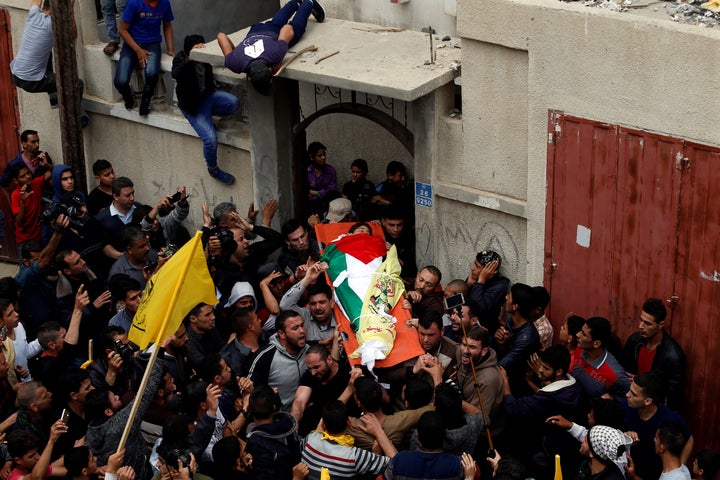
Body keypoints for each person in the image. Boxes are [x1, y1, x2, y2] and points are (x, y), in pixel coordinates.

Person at [172, 34, 240, 185]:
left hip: (208, 97)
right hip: (193, 107)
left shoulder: (206, 58)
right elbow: (175, 73)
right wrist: (190, 59)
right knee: (210, 139)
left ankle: (208, 119)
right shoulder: (181, 59)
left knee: (233, 102)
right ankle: (213, 169)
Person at [218, 0, 325, 95]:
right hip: (256, 30)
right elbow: (221, 36)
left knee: (296, 28)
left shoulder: (275, 53)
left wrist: (280, 55)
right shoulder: (233, 63)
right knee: (275, 23)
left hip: (272, 34)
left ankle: (308, 3)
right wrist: (234, 51)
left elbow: (287, 29)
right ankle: (295, 2)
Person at [623, 373, 693, 480]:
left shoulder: (670, 418)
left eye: (634, 394)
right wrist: (625, 437)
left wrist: (677, 468)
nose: (627, 395)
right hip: (631, 472)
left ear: (648, 401)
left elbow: (689, 440)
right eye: (629, 390)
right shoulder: (626, 406)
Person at [10, 0, 79, 109]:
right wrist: (70, 11)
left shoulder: (33, 14)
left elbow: (36, 1)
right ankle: (76, 114)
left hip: (15, 74)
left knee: (47, 53)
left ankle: (53, 97)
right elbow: (73, 36)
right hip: (31, 81)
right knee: (77, 84)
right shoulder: (52, 25)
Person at [301, 400, 395, 479]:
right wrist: (379, 433)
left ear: (323, 425)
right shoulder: (355, 457)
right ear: (349, 422)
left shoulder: (310, 440)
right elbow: (397, 467)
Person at [114, 0, 175, 116]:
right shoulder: (134, 3)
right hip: (132, 44)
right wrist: (138, 50)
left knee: (151, 74)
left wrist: (170, 49)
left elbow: (167, 25)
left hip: (152, 44)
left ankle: (145, 104)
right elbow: (122, 30)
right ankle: (129, 100)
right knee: (120, 82)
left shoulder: (164, 3)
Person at [622, 298, 685, 409]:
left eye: (647, 323)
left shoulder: (673, 356)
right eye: (641, 320)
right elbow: (624, 371)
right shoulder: (634, 341)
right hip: (629, 399)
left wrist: (643, 384)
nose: (641, 326)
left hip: (653, 407)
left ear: (660, 325)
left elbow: (672, 394)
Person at [384, 411, 476, 480]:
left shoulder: (398, 461)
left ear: (418, 435)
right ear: (446, 433)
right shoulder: (458, 465)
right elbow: (476, 472)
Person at [248, 311, 309, 410]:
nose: (302, 331)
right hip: (277, 420)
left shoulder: (309, 351)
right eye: (295, 328)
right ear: (282, 334)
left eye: (302, 325)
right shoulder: (265, 357)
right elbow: (250, 390)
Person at [571, 317, 630, 402]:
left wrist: (615, 399)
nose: (577, 334)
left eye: (583, 334)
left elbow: (630, 398)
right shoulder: (580, 349)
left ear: (596, 344)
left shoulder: (614, 373)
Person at [10, 164, 52, 257]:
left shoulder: (36, 183)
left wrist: (47, 164)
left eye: (28, 173)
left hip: (39, 238)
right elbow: (19, 222)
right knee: (27, 269)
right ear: (15, 181)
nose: (28, 177)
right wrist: (23, 202)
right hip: (24, 241)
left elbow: (53, 172)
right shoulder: (16, 195)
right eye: (23, 176)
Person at [305, 142, 336, 215]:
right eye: (319, 155)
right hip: (310, 208)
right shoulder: (307, 171)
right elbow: (304, 191)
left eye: (324, 154)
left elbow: (331, 192)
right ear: (311, 157)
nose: (323, 157)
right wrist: (320, 193)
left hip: (327, 207)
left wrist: (314, 192)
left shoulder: (330, 170)